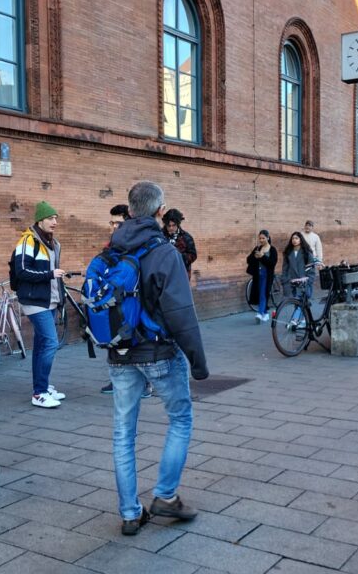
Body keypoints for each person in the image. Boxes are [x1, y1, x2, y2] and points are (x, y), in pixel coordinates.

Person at [107, 180, 209, 536]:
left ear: (129, 209)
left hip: (120, 354)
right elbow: (181, 313)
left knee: (123, 432)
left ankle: (130, 513)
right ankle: (165, 496)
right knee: (180, 419)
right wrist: (198, 361)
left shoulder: (112, 248)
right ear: (159, 211)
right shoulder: (164, 252)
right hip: (159, 352)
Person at [11, 201, 68, 408]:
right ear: (40, 220)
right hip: (35, 302)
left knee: (41, 344)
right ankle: (39, 393)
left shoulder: (53, 243)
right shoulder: (27, 242)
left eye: (56, 218)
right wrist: (49, 274)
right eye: (50, 218)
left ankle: (42, 386)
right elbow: (22, 271)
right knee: (51, 342)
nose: (55, 222)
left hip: (50, 300)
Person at [100, 205, 153, 400]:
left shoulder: (138, 246)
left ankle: (145, 383)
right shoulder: (110, 247)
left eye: (118, 223)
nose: (114, 227)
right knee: (115, 340)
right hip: (115, 301)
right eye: (111, 222)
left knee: (136, 341)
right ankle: (118, 380)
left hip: (135, 301)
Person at [281, 232, 316, 323]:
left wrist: (309, 280)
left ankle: (296, 319)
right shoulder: (288, 253)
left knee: (301, 300)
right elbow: (285, 268)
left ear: (300, 240)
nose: (294, 240)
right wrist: (284, 279)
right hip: (292, 281)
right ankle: (304, 319)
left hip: (304, 281)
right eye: (293, 238)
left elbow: (312, 269)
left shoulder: (306, 253)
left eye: (296, 238)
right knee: (297, 302)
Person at [246, 230, 278, 323]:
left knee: (263, 294)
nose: (261, 240)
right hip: (257, 275)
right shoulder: (257, 248)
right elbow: (248, 259)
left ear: (268, 238)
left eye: (263, 238)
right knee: (259, 293)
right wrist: (254, 257)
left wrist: (262, 257)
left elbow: (272, 263)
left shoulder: (272, 249)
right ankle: (266, 314)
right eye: (260, 238)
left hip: (267, 275)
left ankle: (259, 314)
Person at [162, 208, 197, 278]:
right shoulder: (159, 236)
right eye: (169, 225)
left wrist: (178, 257)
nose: (171, 228)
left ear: (178, 224)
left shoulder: (186, 237)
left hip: (181, 276)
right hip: (163, 275)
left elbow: (193, 255)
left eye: (173, 225)